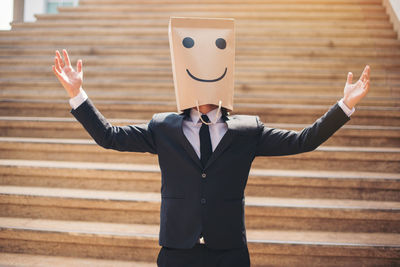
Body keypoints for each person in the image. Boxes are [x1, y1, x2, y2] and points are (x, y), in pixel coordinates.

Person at [52, 17, 370, 267]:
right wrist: (77, 94)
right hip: (177, 248)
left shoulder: (248, 130)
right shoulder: (163, 127)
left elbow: (303, 141)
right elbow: (109, 137)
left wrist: (345, 105)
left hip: (228, 250)